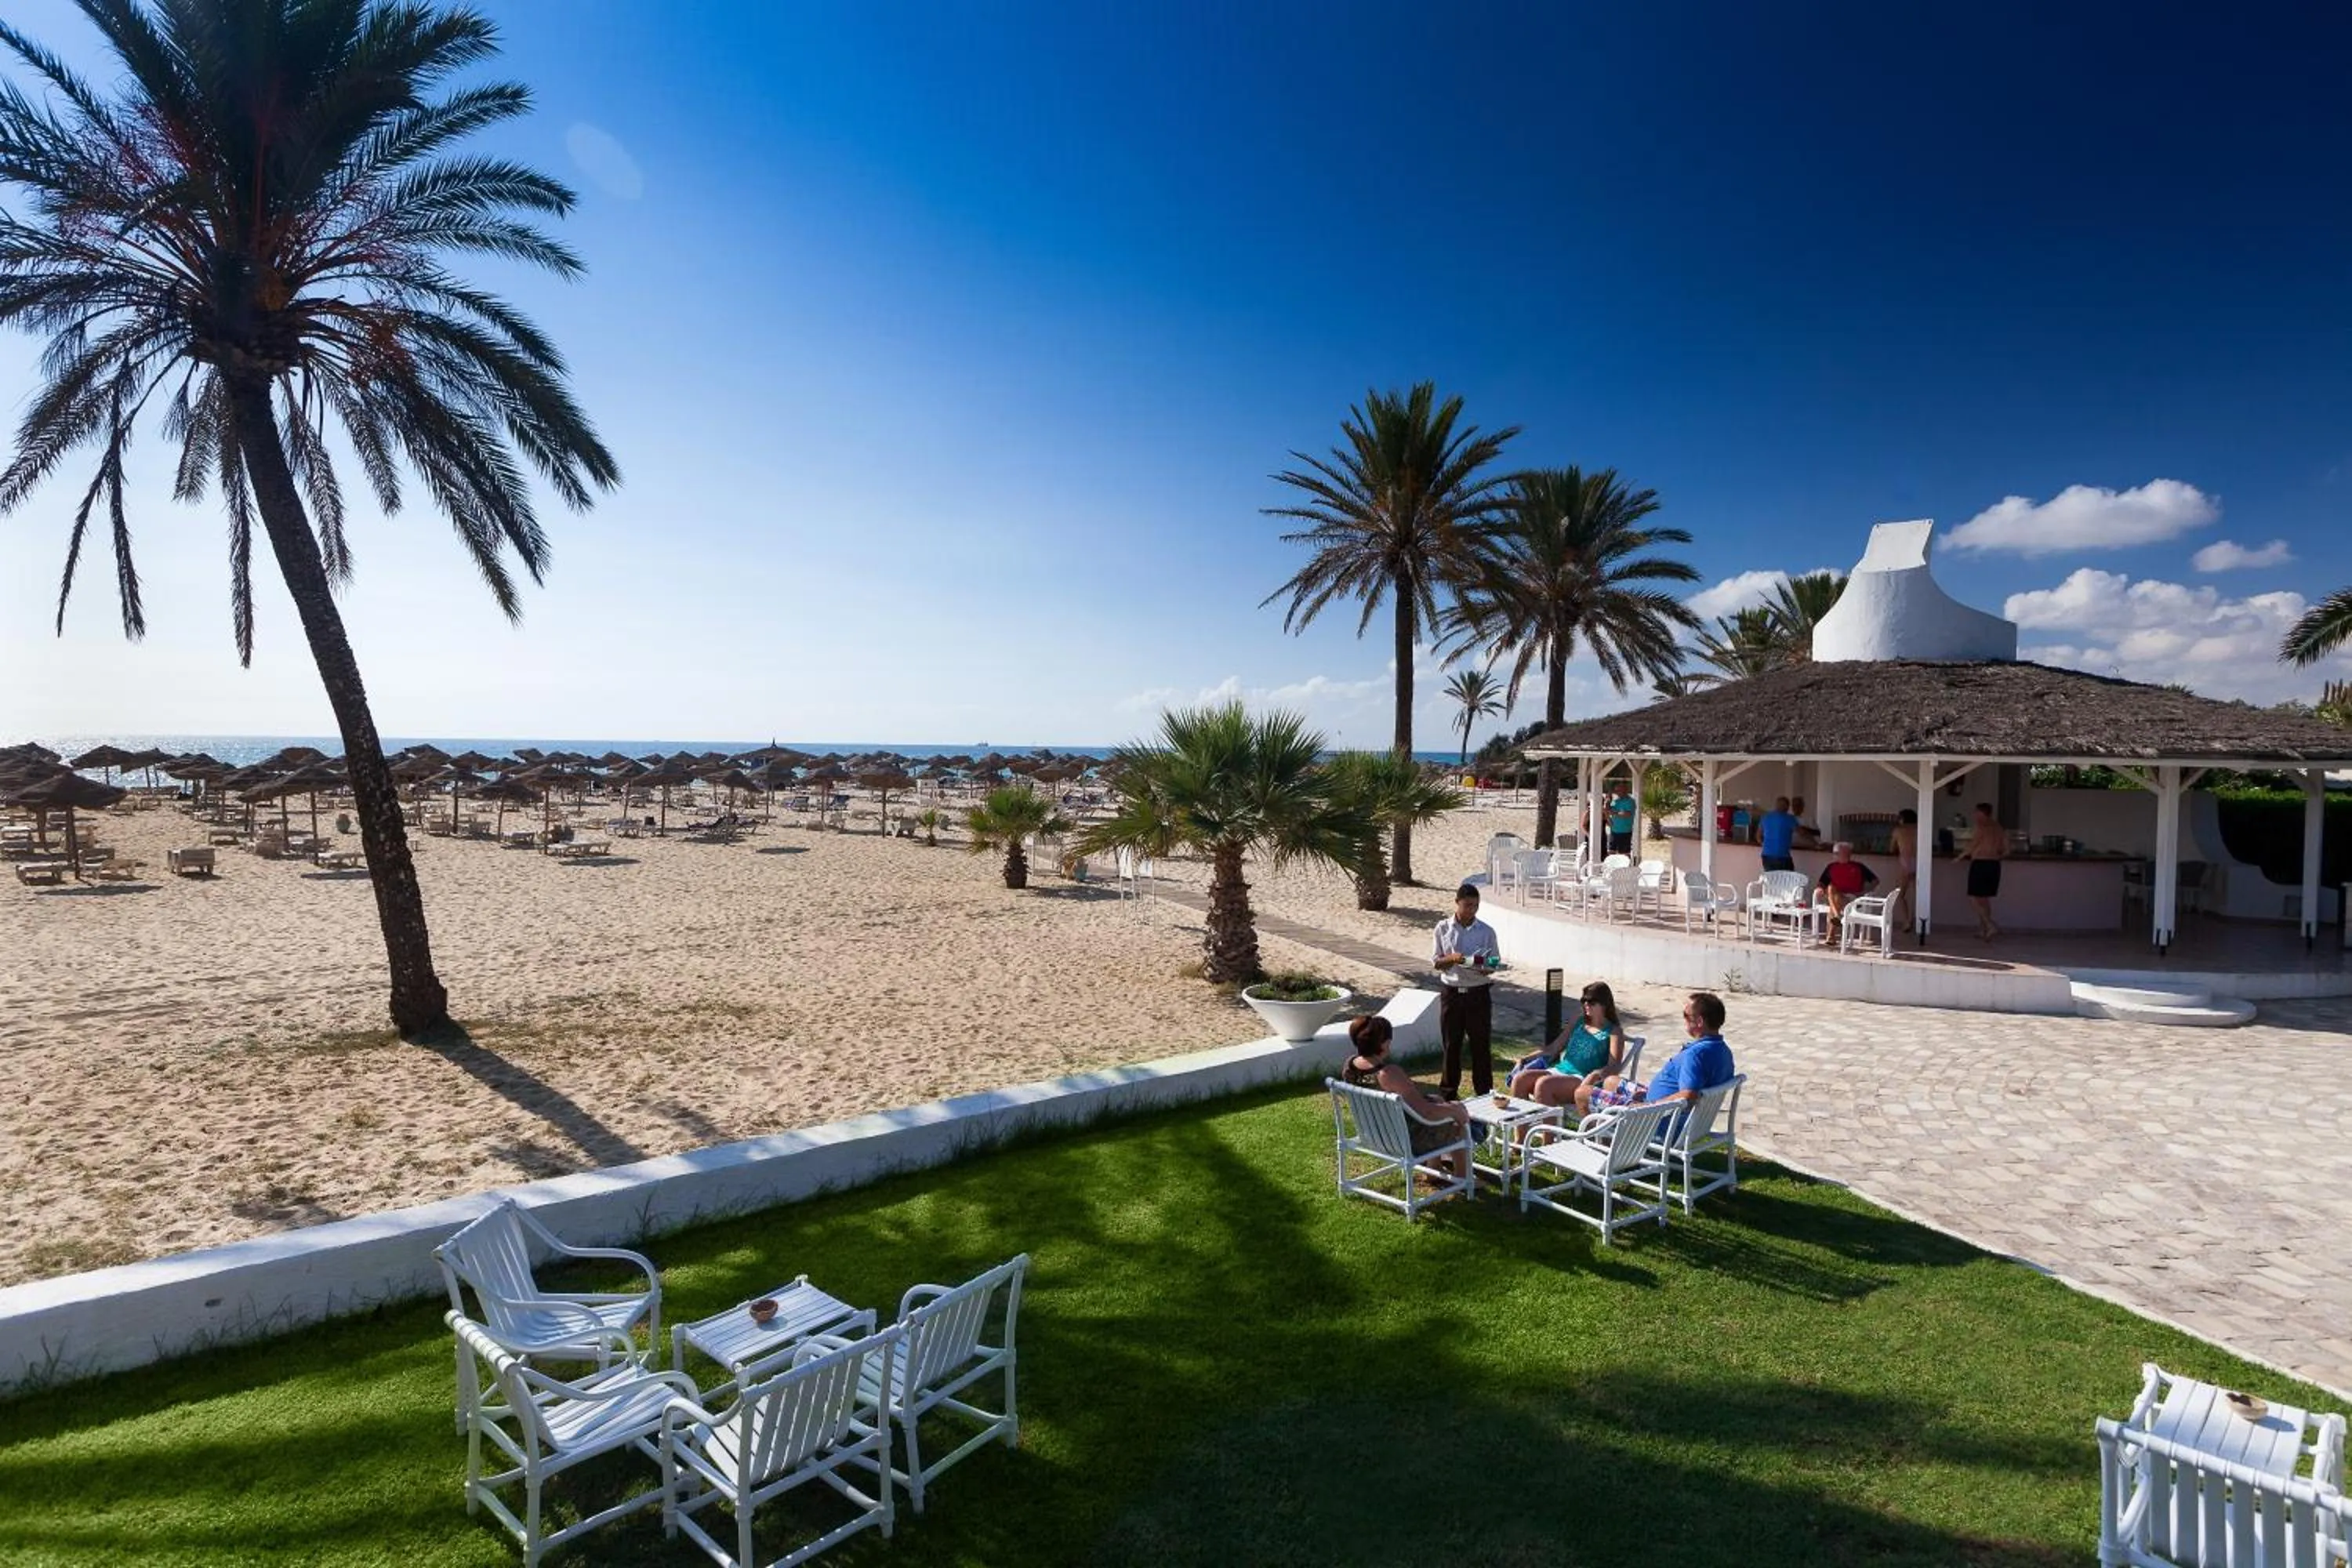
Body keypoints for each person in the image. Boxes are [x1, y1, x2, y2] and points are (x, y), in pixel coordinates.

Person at [1341, 1014, 1472, 1186]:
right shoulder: (1389, 1073)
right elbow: (1426, 1112)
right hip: (1404, 1140)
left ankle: (1434, 1171)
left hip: (1373, 1134)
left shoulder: (1350, 1066)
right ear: (1385, 1044)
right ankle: (1463, 1178)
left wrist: (1439, 1102)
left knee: (1438, 1101)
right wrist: (1456, 1111)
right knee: (1456, 1117)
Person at [1576, 990, 1737, 1122]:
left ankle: (1602, 1147)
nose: (1684, 1020)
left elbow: (1688, 1096)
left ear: (1699, 1022)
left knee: (1582, 1093)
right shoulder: (1723, 1051)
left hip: (1656, 1120)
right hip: (1681, 1118)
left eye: (1686, 1016)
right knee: (1611, 1081)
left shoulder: (1695, 1055)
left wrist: (1651, 1105)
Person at [1508, 980, 1628, 1109]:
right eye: (1584, 1000)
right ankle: (1522, 1127)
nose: (1586, 1004)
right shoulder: (1579, 1021)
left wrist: (1596, 1074)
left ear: (1604, 1004)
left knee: (1544, 1084)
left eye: (1591, 1001)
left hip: (1583, 1078)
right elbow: (1554, 1047)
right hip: (1560, 1071)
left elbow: (1615, 1065)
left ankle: (1547, 1129)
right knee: (1520, 1079)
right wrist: (1525, 1059)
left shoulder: (1614, 1032)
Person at [1432, 883, 1499, 1096]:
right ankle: (1449, 1093)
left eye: (1475, 906)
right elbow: (1435, 962)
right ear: (1457, 903)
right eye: (1468, 905)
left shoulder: (1486, 931)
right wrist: (1451, 959)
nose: (1471, 910)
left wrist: (1483, 967)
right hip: (1451, 993)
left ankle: (1484, 1093)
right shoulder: (1443, 928)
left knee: (1480, 1046)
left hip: (1478, 993)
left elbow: (1494, 962)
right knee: (1452, 1046)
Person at [1957, 801, 2006, 940]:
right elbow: (2007, 848)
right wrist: (1997, 856)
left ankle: (1990, 925)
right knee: (1984, 898)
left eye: (1976, 812)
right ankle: (1984, 929)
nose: (1974, 815)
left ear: (1981, 813)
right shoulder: (1999, 827)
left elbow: (1973, 844)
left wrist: (1960, 857)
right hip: (1994, 864)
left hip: (1980, 863)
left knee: (1973, 897)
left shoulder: (1981, 826)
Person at [1813, 841, 1879, 943]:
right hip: (1836, 897)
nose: (1845, 855)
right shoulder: (1831, 867)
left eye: (1846, 853)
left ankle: (1833, 929)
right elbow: (1822, 883)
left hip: (1852, 898)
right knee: (1832, 890)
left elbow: (1875, 881)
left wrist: (1863, 892)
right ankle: (1836, 918)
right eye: (1838, 853)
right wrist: (1820, 889)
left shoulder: (1858, 867)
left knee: (1834, 898)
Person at [1889, 808, 1919, 927]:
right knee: (1917, 894)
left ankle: (1907, 921)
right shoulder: (1919, 830)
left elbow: (1891, 848)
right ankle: (1916, 919)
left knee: (1901, 895)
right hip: (1919, 862)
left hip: (1905, 862)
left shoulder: (1898, 831)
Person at [1757, 796, 1798, 873]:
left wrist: (1768, 846)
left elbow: (1758, 837)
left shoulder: (1766, 817)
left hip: (1767, 856)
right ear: (1786, 806)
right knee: (1788, 881)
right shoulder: (1789, 819)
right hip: (1783, 857)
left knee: (1772, 881)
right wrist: (1816, 844)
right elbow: (1802, 833)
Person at [1605, 783, 1636, 856]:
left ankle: (1626, 868)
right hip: (1614, 831)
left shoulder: (1630, 801)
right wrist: (1608, 801)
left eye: (1619, 790)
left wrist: (1615, 813)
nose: (1617, 792)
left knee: (1624, 855)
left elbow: (1628, 814)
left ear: (1625, 790)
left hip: (1625, 832)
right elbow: (1608, 811)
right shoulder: (1616, 801)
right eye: (1616, 791)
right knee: (1611, 853)